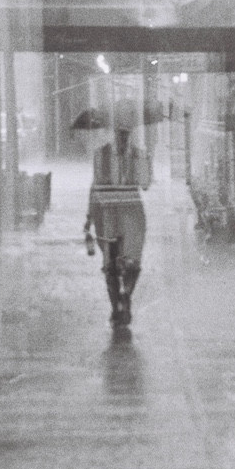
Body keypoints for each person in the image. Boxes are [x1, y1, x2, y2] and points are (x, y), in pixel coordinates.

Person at [85, 126, 149, 326]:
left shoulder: (139, 155)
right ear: (114, 133)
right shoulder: (101, 155)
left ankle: (126, 295)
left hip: (132, 215)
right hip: (108, 216)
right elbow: (95, 185)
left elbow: (145, 184)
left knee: (133, 263)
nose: (123, 137)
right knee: (111, 265)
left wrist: (144, 164)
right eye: (119, 133)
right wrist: (90, 217)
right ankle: (115, 308)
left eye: (126, 133)